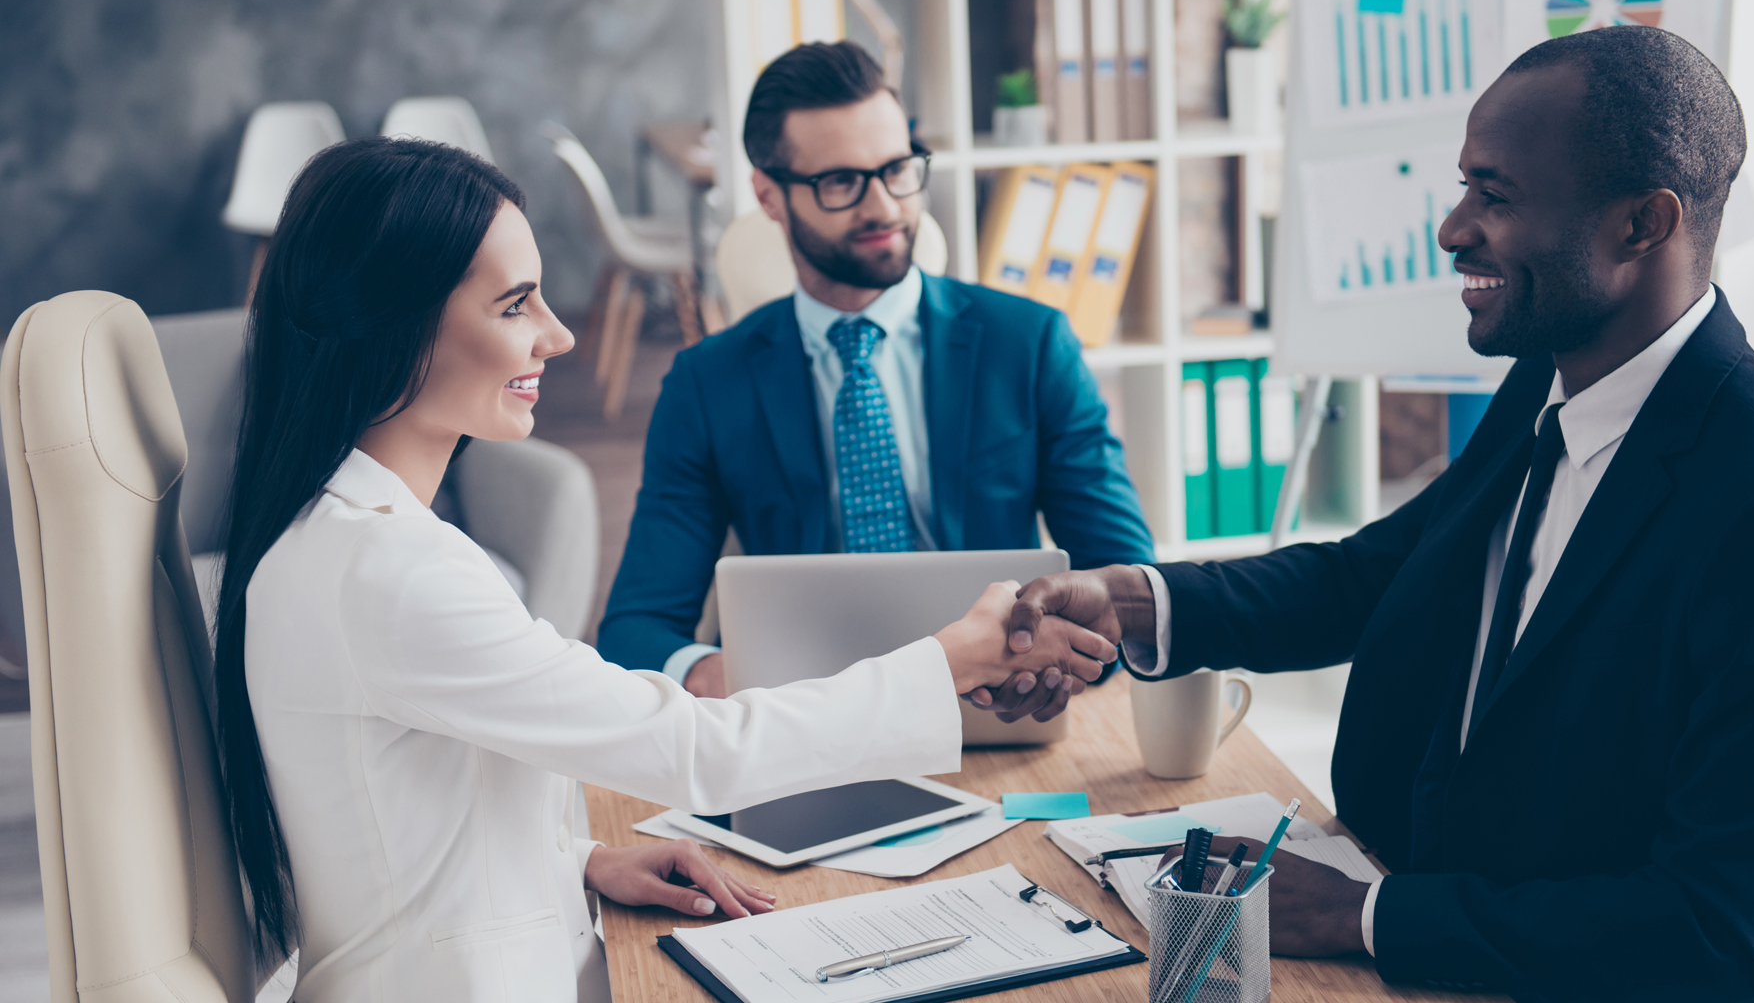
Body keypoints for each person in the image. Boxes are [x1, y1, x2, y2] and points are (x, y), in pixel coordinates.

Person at [990, 27, 1754, 1002]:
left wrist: (1360, 916)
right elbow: (1383, 573)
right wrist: (1138, 602)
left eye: (1494, 196)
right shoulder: (1554, 378)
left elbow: (1725, 934)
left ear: (1642, 225)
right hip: (1453, 935)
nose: (1454, 228)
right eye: (1465, 187)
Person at [214, 137, 1114, 1002]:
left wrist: (580, 865)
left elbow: (396, 830)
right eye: (515, 304)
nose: (558, 336)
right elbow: (702, 752)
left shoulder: (345, 538)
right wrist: (951, 660)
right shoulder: (391, 573)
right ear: (397, 329)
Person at [596, 41, 1155, 706]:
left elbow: (1131, 585)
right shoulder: (707, 384)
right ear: (769, 196)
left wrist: (1068, 662)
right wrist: (714, 675)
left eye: (897, 169)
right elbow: (634, 629)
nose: (885, 206)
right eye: (841, 182)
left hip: (1005, 711)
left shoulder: (1030, 345)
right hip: (810, 718)